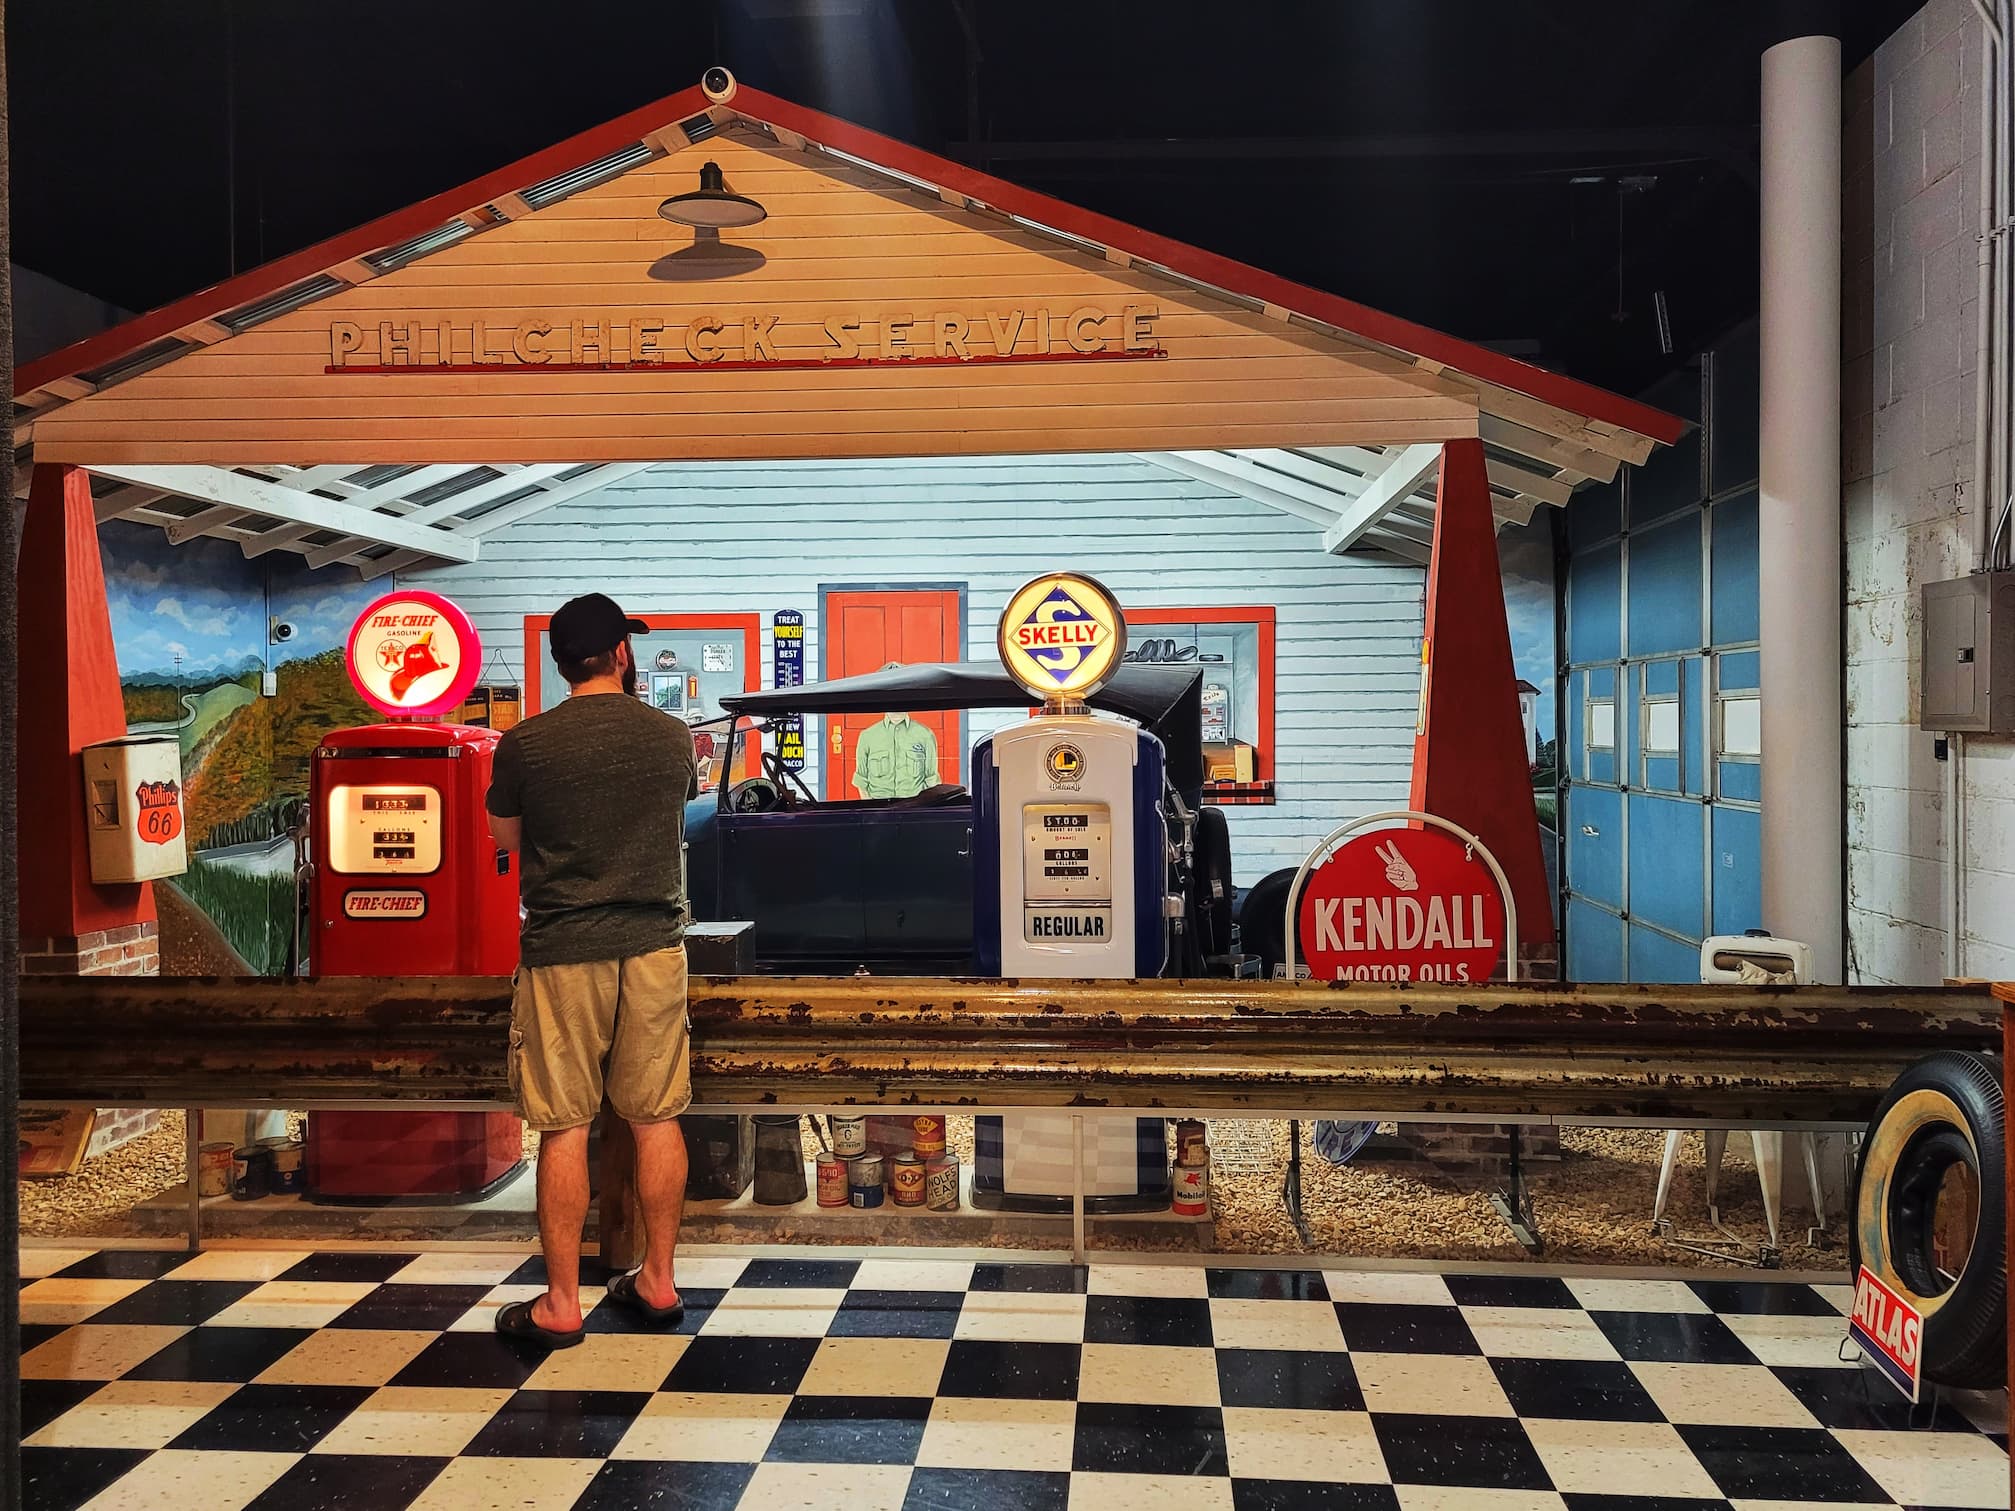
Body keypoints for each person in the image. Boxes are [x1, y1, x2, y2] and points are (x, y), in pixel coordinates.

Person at [485, 593, 698, 1348]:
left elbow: (504, 836)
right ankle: (659, 1280)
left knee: (564, 1125)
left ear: (556, 663)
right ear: (622, 654)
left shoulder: (526, 744)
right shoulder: (671, 738)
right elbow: (676, 814)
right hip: (652, 947)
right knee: (655, 1115)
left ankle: (562, 1302)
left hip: (561, 951)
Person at [853, 665, 940, 799]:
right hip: (878, 812)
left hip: (913, 810)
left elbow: (931, 781)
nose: (896, 703)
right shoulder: (867, 737)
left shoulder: (925, 735)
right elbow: (861, 781)